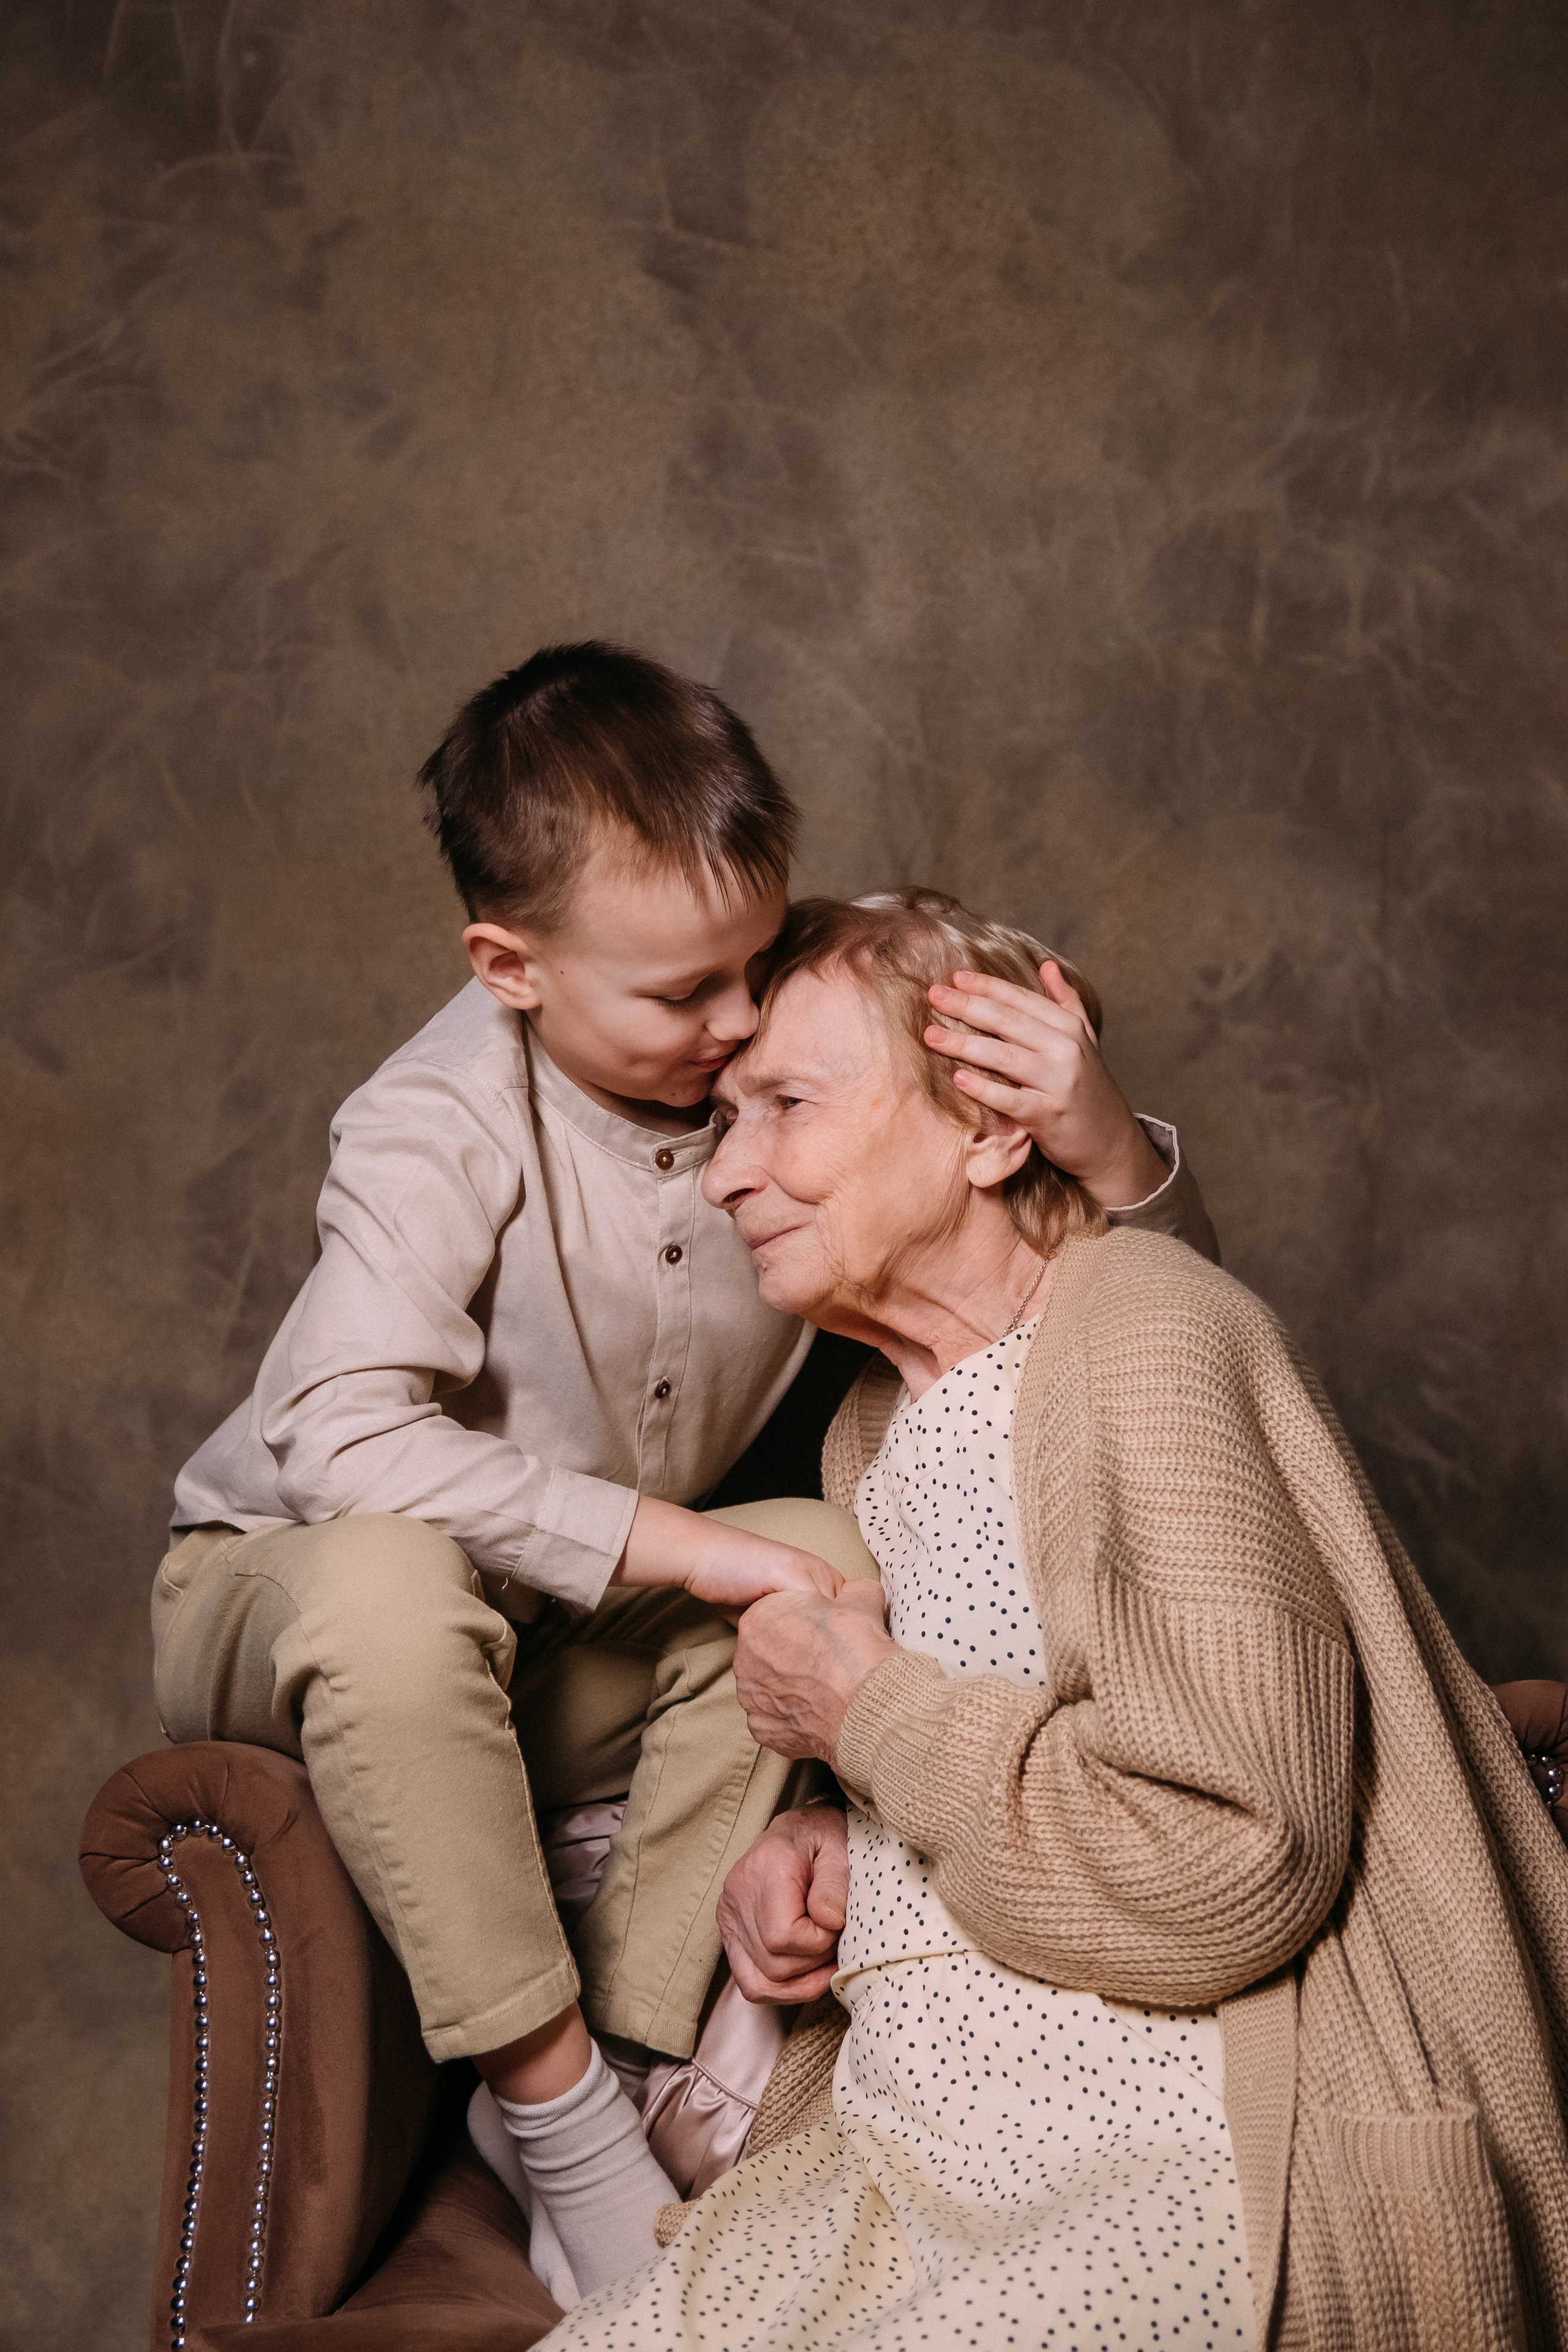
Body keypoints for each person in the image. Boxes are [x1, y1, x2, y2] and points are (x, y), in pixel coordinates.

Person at [149, 649, 1218, 2295]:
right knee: (392, 1574)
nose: (735, 1029)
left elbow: (1169, 1334)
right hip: (286, 1603)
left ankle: (649, 2059)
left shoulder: (767, 984)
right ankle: (560, 2113)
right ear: (510, 966)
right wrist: (677, 1544)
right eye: (679, 998)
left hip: (546, 1649)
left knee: (807, 1550)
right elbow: (338, 1440)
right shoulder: (433, 1121)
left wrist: (1104, 1133)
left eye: (757, 966)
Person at [541, 888, 1568, 2351]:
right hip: (903, 2164)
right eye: (721, 1118)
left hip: (1171, 2157)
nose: (726, 1174)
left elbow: (1233, 1862)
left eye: (784, 1104)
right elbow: (1009, 1753)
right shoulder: (870, 1430)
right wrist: (837, 1849)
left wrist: (866, 1715)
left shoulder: (1140, 1330)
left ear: (985, 1128)